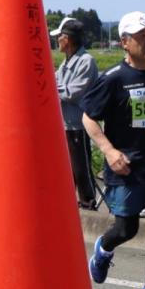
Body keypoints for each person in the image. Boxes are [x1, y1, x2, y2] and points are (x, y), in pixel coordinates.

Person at [81, 12, 145, 289]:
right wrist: (109, 151)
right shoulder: (113, 79)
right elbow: (88, 118)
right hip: (126, 167)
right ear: (125, 42)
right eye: (141, 37)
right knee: (127, 229)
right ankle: (104, 248)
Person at [51, 17, 99, 208]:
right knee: (67, 168)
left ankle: (88, 203)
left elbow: (72, 92)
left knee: (81, 168)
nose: (57, 40)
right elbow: (56, 83)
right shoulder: (66, 61)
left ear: (68, 39)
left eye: (59, 37)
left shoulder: (86, 61)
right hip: (65, 123)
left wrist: (51, 88)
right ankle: (69, 203)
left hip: (79, 123)